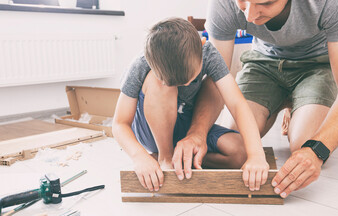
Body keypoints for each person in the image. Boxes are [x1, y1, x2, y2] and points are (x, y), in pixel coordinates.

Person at [172, 0, 338, 199]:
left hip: (316, 65)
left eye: (266, 3)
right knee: (235, 140)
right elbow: (216, 78)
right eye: (242, 0)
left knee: (304, 143)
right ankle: (284, 101)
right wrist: (197, 133)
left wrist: (317, 151)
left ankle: (292, 104)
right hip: (262, 63)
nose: (249, 16)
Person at [112, 17, 269, 192]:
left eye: (191, 79)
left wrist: (256, 155)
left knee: (240, 151)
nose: (185, 86)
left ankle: (182, 158)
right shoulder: (141, 64)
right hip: (151, 130)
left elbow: (237, 104)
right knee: (159, 85)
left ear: (202, 45)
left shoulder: (208, 53)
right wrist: (139, 157)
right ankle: (165, 157)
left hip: (185, 124)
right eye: (174, 83)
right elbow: (119, 123)